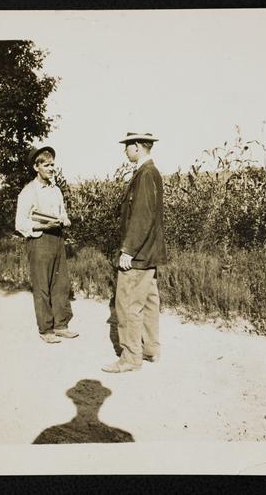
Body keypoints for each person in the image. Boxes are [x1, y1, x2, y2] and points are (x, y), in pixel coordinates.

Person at [102, 133, 167, 373]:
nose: (125, 151)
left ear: (138, 147)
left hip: (138, 255)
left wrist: (128, 250)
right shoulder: (151, 173)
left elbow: (142, 216)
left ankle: (130, 358)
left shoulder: (146, 174)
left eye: (127, 146)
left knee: (128, 304)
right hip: (149, 253)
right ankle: (150, 349)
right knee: (149, 302)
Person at [15, 145, 78, 344]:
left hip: (58, 239)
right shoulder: (28, 191)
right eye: (47, 165)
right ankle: (46, 329)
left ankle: (61, 325)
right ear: (36, 167)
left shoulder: (56, 190)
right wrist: (41, 226)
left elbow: (62, 213)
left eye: (53, 165)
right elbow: (20, 223)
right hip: (39, 240)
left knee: (60, 284)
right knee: (42, 285)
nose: (52, 168)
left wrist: (64, 219)